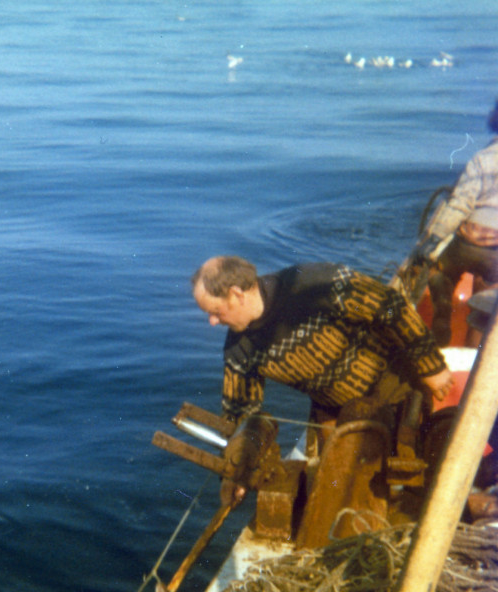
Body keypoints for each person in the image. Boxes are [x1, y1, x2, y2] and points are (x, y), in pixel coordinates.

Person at [192, 257, 454, 504]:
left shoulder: (314, 283)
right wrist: (236, 472)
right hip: (334, 410)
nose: (212, 322)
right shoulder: (239, 349)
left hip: (396, 387)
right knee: (340, 488)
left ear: (237, 294)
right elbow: (240, 414)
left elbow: (390, 306)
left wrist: (431, 366)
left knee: (415, 475)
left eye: (215, 311)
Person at [415, 100, 498, 346]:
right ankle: (475, 353)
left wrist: (432, 241)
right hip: (495, 252)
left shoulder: (482, 158)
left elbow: (459, 205)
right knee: (485, 303)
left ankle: (440, 330)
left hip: (467, 243)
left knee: (441, 273)